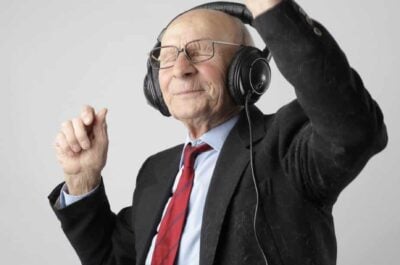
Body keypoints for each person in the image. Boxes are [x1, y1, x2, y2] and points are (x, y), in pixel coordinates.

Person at [48, 0, 388, 265]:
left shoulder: (286, 145)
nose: (180, 69)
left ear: (248, 73)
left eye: (200, 51)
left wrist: (272, 10)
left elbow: (353, 130)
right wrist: (83, 181)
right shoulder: (156, 171)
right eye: (166, 56)